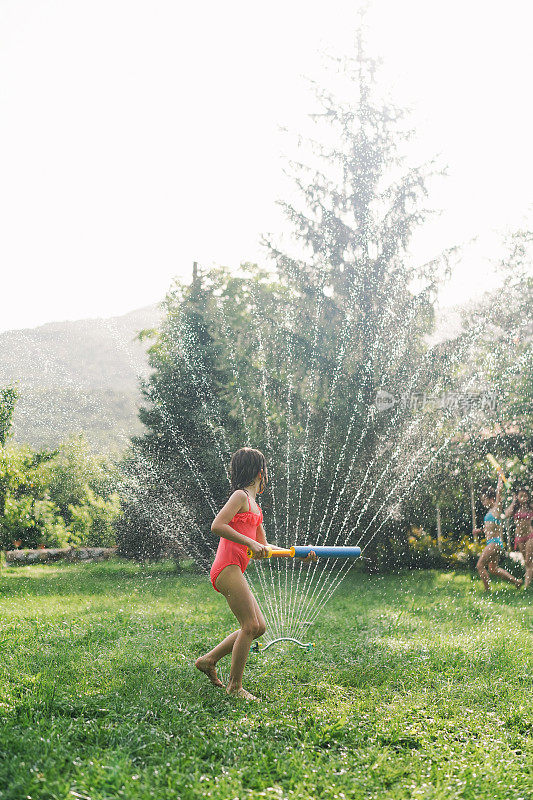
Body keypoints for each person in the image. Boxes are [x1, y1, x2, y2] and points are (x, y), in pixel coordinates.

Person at [195, 447, 315, 700]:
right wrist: (249, 544)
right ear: (261, 472)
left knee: (258, 627)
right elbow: (217, 525)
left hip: (234, 567)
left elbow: (266, 546)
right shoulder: (239, 496)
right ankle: (234, 687)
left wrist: (297, 555)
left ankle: (208, 660)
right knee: (249, 625)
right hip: (226, 567)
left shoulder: (256, 508)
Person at [473, 476, 523, 592]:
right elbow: (490, 528)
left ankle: (487, 591)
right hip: (495, 543)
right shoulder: (491, 512)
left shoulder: (496, 508)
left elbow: (499, 491)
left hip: (494, 543)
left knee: (479, 566)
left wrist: (500, 477)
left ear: (491, 499)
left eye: (484, 499)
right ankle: (516, 582)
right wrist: (480, 531)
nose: (483, 502)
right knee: (493, 569)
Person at [505, 487, 533, 589]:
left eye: (525, 495)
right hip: (519, 538)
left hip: (530, 536)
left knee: (529, 561)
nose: (524, 498)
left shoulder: (530, 508)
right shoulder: (515, 508)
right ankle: (528, 582)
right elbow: (506, 514)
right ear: (518, 497)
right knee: (526, 561)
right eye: (521, 496)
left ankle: (527, 586)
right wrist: (513, 501)